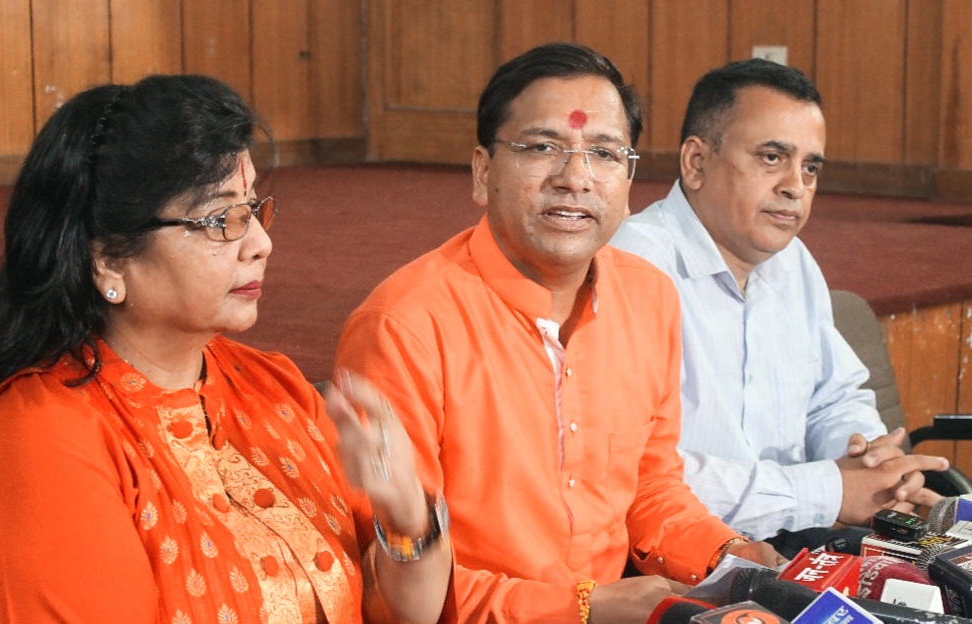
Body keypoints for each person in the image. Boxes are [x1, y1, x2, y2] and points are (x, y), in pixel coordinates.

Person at [0, 74, 452, 624]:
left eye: (253, 209)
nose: (260, 243)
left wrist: (408, 520)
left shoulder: (277, 391)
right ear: (109, 260)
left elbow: (399, 612)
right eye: (221, 220)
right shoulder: (41, 443)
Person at [335, 43, 782, 624]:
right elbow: (390, 582)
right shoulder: (404, 327)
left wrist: (727, 554)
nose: (575, 178)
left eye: (604, 153)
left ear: (628, 180)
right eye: (542, 147)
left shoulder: (649, 297)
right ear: (482, 172)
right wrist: (585, 607)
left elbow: (650, 489)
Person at [609, 58, 949, 556]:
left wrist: (872, 463)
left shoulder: (793, 261)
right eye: (772, 157)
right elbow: (634, 474)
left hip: (799, 534)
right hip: (679, 555)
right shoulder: (632, 267)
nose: (796, 186)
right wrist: (827, 490)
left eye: (810, 167)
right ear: (696, 163)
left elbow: (834, 399)